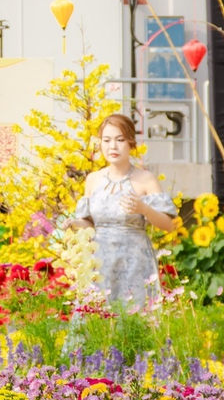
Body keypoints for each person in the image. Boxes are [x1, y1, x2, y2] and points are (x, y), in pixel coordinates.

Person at [71, 113, 179, 308]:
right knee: (97, 316)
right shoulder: (93, 179)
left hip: (134, 263)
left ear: (131, 143)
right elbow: (90, 222)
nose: (112, 146)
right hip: (99, 263)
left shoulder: (146, 179)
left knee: (134, 315)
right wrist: (75, 224)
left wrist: (144, 209)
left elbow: (169, 225)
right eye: (107, 140)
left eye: (120, 140)